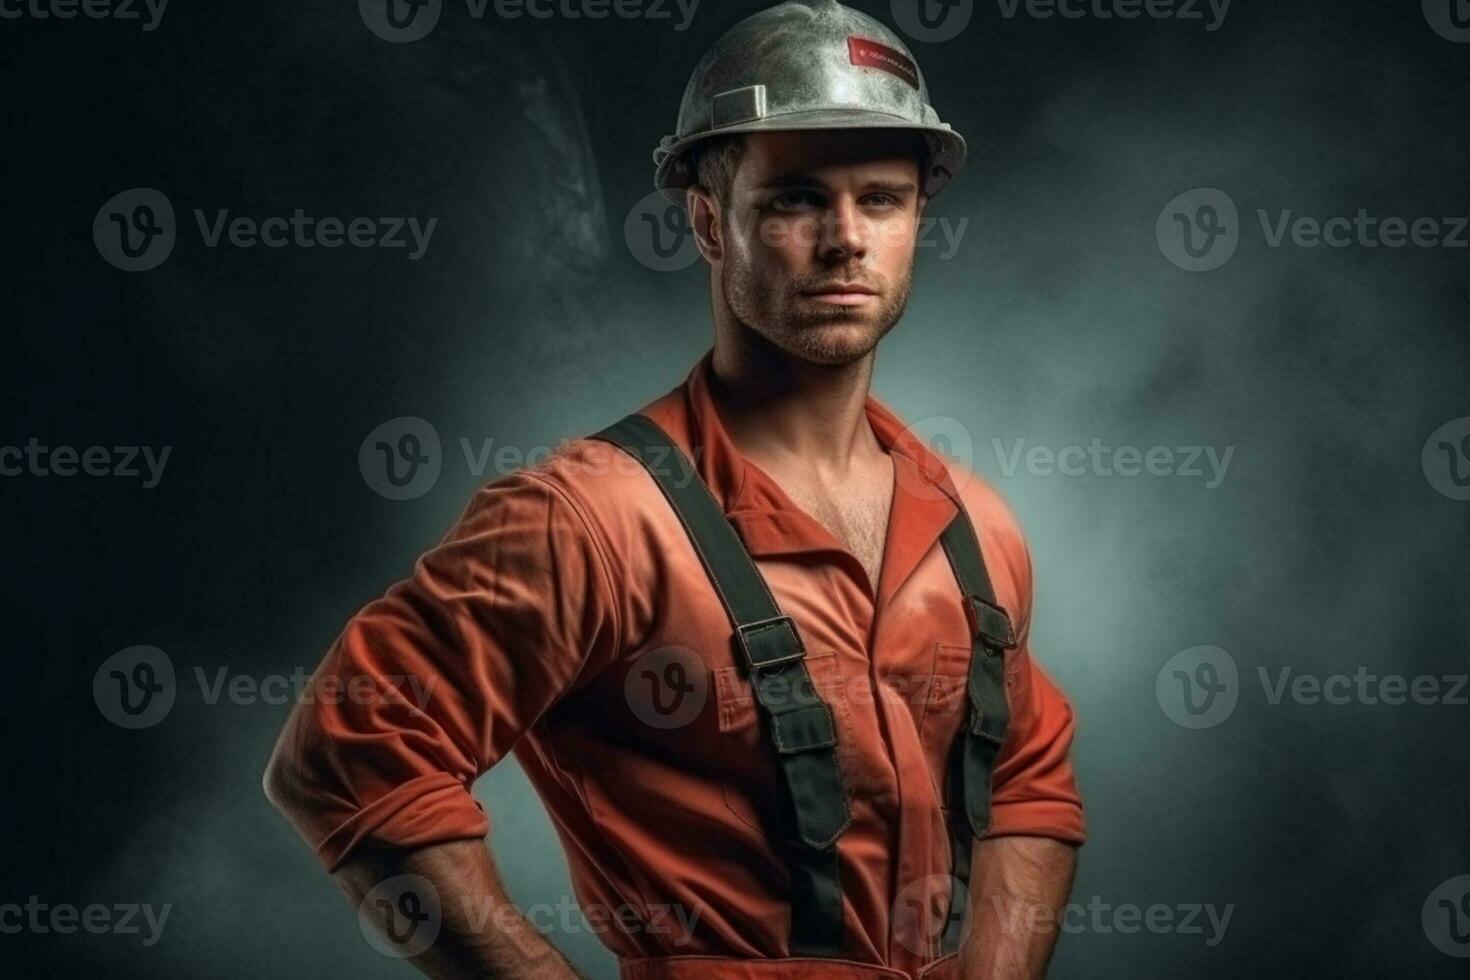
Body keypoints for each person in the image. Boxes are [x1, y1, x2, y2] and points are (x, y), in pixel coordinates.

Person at [264, 3, 1085, 977]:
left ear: (919, 218)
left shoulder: (971, 528)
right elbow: (346, 748)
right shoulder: (594, 519)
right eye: (794, 200)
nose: (845, 240)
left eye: (882, 198)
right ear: (707, 220)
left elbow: (1028, 778)